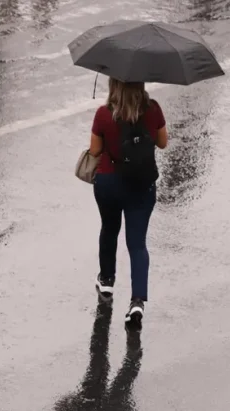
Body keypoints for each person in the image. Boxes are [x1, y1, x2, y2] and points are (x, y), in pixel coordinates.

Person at [87, 77, 168, 327]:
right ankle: (137, 302)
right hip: (142, 185)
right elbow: (163, 143)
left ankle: (107, 280)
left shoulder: (104, 114)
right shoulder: (153, 109)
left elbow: (94, 152)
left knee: (109, 230)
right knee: (137, 244)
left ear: (114, 84)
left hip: (109, 184)